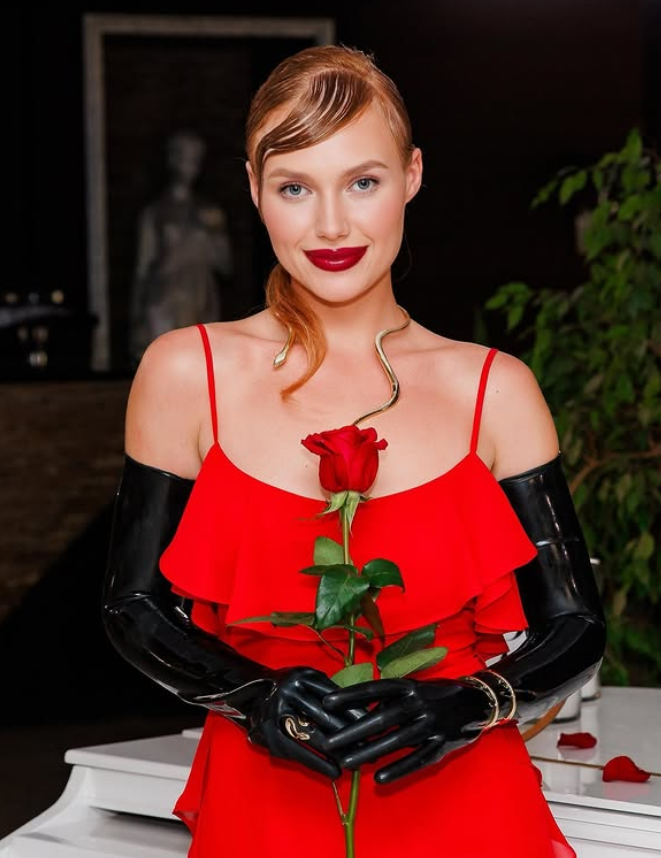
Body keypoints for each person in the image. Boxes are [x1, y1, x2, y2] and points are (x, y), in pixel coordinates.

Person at [104, 46, 605, 858]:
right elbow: (132, 607)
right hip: (265, 797)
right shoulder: (186, 372)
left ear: (411, 175)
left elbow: (574, 622)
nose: (330, 225)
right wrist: (253, 696)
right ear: (253, 189)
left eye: (361, 182)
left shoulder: (493, 388)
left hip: (464, 800)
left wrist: (470, 703)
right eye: (294, 188)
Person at [128, 130, 233, 364]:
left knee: (199, 366)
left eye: (195, 158)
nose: (190, 164)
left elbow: (226, 264)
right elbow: (143, 268)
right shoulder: (155, 213)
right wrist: (136, 316)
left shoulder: (210, 213)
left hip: (200, 297)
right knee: (163, 364)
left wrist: (210, 236)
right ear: (172, 159)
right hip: (164, 299)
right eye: (184, 156)